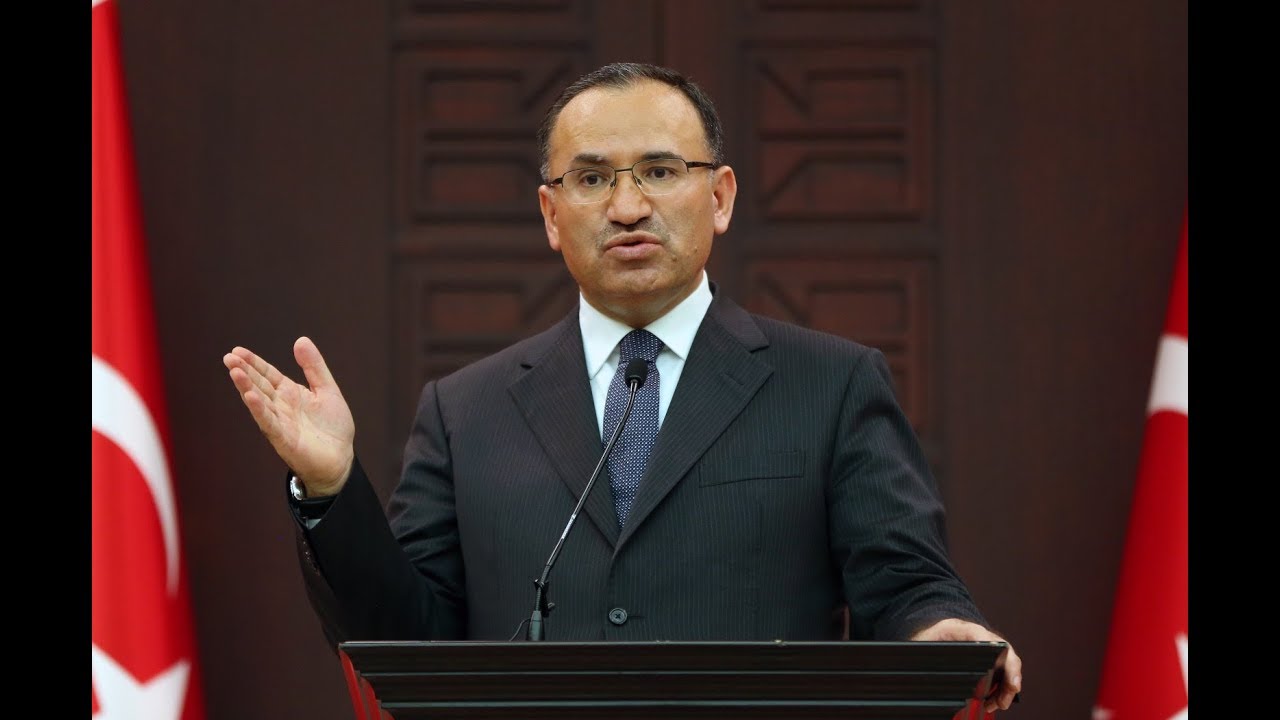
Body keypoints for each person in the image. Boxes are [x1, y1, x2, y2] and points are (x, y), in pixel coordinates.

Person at [224, 62, 1022, 712]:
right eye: (592, 178)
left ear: (720, 197)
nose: (629, 207)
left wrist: (943, 630)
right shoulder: (465, 411)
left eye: (661, 172)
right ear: (550, 214)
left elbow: (905, 582)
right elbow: (405, 641)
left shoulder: (831, 383)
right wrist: (332, 490)